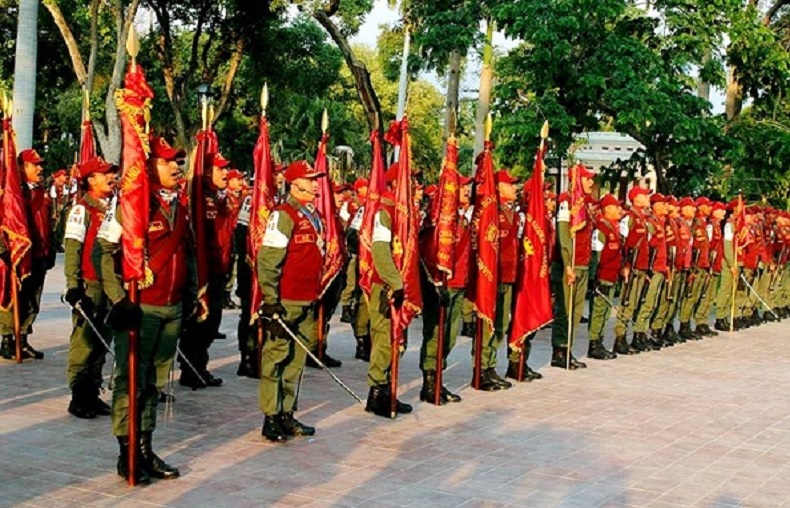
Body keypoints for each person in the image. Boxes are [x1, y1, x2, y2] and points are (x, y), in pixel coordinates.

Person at [97, 136, 188, 483]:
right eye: (167, 162)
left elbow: (186, 254)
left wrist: (194, 296)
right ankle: (128, 451)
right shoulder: (131, 204)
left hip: (172, 307)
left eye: (178, 161)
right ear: (150, 166)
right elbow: (102, 252)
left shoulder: (179, 205)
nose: (176, 167)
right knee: (131, 381)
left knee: (154, 383)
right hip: (142, 309)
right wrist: (119, 298)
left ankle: (146, 448)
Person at [257, 160, 325, 442]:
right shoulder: (283, 215)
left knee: (296, 362)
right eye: (310, 180)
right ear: (294, 184)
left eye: (315, 179)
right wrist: (271, 300)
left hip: (308, 299)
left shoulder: (313, 215)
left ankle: (287, 412)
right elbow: (268, 260)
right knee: (276, 358)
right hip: (285, 300)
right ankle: (271, 416)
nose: (315, 184)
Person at [63, 157, 119, 419]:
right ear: (90, 180)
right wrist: (73, 287)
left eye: (112, 173)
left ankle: (93, 392)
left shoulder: (113, 207)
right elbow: (73, 249)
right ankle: (79, 395)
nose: (111, 177)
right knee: (84, 343)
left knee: (102, 341)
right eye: (104, 174)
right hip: (90, 285)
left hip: (110, 284)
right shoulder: (81, 210)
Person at [179, 151, 239, 389]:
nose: (226, 173)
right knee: (199, 323)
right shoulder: (198, 198)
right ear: (205, 171)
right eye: (220, 168)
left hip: (218, 268)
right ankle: (191, 368)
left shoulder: (216, 196)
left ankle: (199, 366)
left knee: (212, 323)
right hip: (203, 270)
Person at [364, 164, 413, 418]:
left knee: (397, 340)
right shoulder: (384, 213)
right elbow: (381, 252)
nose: (414, 187)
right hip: (385, 286)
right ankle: (377, 392)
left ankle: (388, 389)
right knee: (384, 339)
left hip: (401, 286)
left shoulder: (407, 214)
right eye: (410, 181)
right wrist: (395, 282)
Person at [418, 174, 472, 404]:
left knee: (449, 336)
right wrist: (435, 283)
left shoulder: (462, 219)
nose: (467, 191)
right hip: (442, 285)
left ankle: (438, 378)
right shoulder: (438, 220)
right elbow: (428, 252)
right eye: (462, 187)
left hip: (459, 283)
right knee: (436, 335)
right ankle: (430, 382)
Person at [0, 149, 54, 360]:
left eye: (41, 165)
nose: (40, 169)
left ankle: (22, 338)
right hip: (18, 256)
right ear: (21, 168)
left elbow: (47, 223)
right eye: (35, 165)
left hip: (39, 253)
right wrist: (4, 252)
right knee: (13, 297)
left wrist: (50, 248)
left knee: (33, 298)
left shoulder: (41, 191)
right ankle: (7, 339)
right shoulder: (12, 194)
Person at [550, 164, 595, 369]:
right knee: (565, 310)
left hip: (582, 264)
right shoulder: (567, 204)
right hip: (570, 265)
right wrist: (568, 264)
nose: (591, 182)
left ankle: (568, 348)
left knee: (576, 311)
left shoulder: (584, 204)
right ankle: (559, 350)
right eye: (587, 179)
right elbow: (564, 236)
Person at [613, 185, 652, 353]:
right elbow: (623, 243)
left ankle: (630, 337)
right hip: (632, 266)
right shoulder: (629, 218)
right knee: (626, 301)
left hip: (642, 266)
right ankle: (620, 338)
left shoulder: (643, 218)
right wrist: (625, 265)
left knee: (635, 303)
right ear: (636, 198)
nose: (648, 198)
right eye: (645, 195)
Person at [587, 194, 623, 360]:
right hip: (603, 276)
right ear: (607, 209)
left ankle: (599, 341)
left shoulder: (612, 227)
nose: (619, 210)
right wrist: (594, 277)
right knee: (598, 310)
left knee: (606, 311)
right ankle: (594, 344)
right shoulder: (601, 228)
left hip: (612, 275)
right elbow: (596, 255)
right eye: (616, 207)